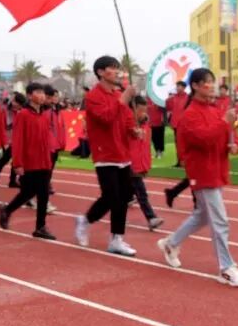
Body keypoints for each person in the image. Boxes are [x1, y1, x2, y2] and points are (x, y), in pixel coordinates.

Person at [157, 67, 238, 288]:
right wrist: (224, 123)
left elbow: (232, 136)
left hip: (217, 170)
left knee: (202, 216)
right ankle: (226, 268)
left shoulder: (217, 110)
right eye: (207, 82)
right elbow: (203, 139)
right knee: (219, 220)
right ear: (196, 86)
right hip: (202, 172)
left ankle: (171, 243)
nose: (212, 85)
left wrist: (235, 145)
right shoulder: (189, 115)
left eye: (213, 81)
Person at [74, 56, 138, 257]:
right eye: (112, 68)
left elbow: (126, 118)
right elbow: (106, 117)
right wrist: (123, 98)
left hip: (122, 153)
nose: (117, 72)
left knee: (124, 197)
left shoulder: (117, 95)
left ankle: (116, 239)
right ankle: (86, 220)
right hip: (105, 154)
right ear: (101, 72)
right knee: (111, 197)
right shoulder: (93, 96)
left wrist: (133, 130)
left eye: (117, 68)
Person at [0, 83, 57, 239]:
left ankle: (40, 227)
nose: (42, 95)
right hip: (30, 162)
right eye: (38, 92)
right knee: (27, 193)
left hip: (44, 161)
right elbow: (17, 141)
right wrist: (17, 163)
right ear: (30, 95)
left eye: (43, 92)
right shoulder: (23, 115)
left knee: (43, 194)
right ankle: (7, 210)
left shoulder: (44, 115)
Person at [128, 96, 164, 231]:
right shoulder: (128, 125)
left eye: (145, 110)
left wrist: (146, 164)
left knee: (125, 192)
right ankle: (151, 218)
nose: (144, 113)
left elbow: (145, 146)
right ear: (134, 109)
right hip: (130, 164)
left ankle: (126, 200)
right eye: (140, 110)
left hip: (140, 163)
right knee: (141, 193)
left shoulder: (145, 125)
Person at [165, 81, 188, 167]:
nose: (178, 88)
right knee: (178, 143)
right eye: (177, 86)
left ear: (184, 87)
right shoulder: (173, 97)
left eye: (179, 86)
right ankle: (179, 161)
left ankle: (186, 160)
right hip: (176, 124)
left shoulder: (188, 98)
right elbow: (168, 108)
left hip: (185, 124)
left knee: (185, 143)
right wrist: (168, 100)